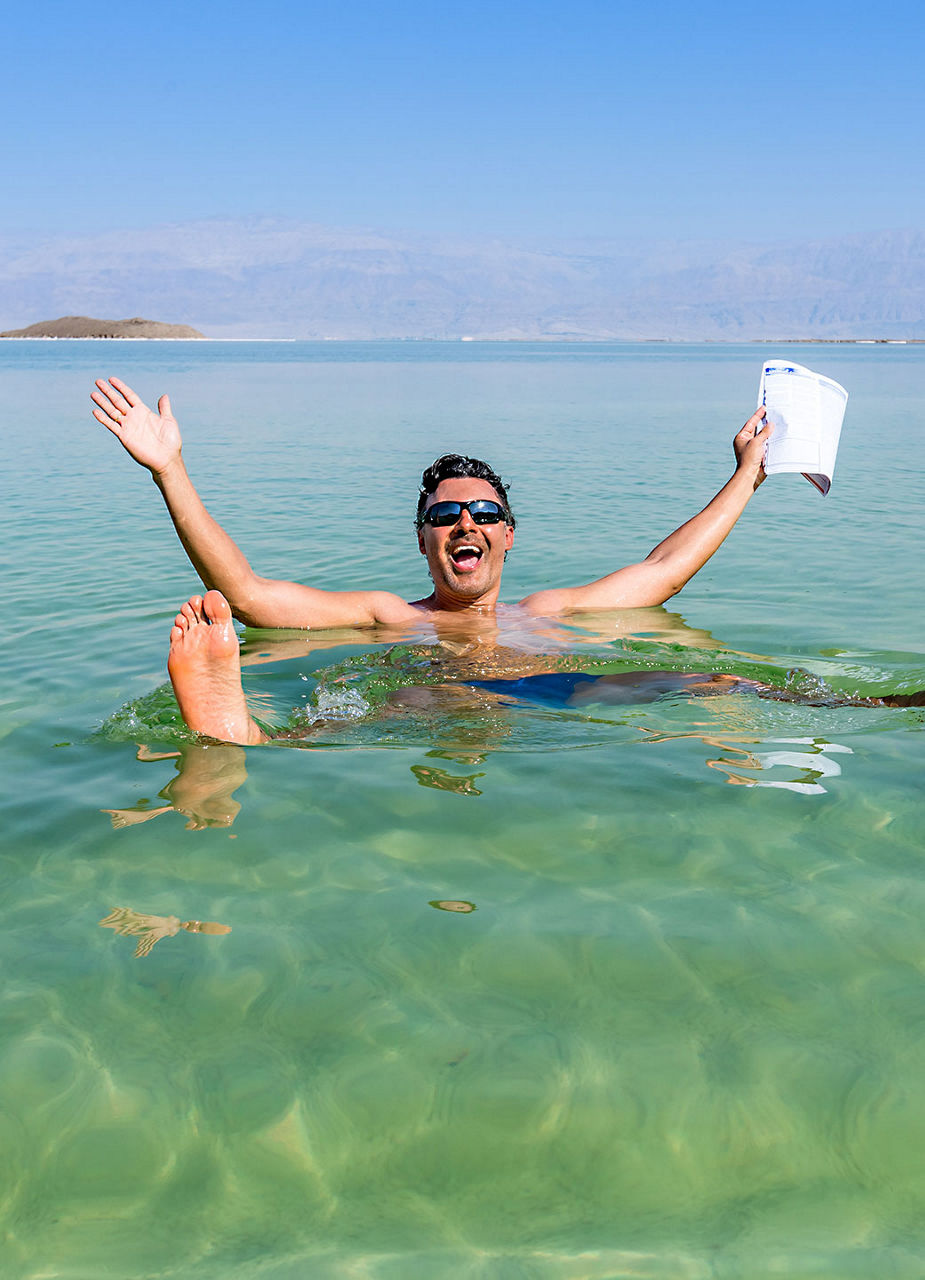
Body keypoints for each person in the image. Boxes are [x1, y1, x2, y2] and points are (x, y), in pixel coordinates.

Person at [92, 376, 775, 743]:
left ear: (508, 535)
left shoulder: (548, 611)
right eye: (443, 516)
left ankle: (853, 703)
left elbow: (663, 573)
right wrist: (169, 470)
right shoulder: (391, 617)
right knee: (428, 694)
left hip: (554, 693)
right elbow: (246, 595)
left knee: (710, 678)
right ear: (422, 539)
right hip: (429, 695)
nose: (463, 524)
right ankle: (238, 729)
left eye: (482, 515)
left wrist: (745, 473)